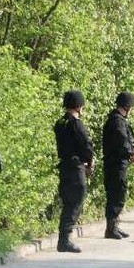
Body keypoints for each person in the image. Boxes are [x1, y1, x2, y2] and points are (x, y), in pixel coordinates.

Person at [54, 90, 94, 252]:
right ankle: (65, 239)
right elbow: (86, 146)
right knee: (75, 201)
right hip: (76, 167)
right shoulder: (76, 124)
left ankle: (64, 238)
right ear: (78, 106)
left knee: (68, 201)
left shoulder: (60, 123)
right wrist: (90, 162)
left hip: (64, 166)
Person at [101, 92, 134, 239]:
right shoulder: (117, 121)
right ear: (126, 106)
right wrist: (132, 153)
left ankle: (114, 226)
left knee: (119, 194)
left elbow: (128, 140)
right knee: (116, 195)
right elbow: (122, 142)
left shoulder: (119, 120)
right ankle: (110, 228)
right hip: (115, 164)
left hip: (119, 164)